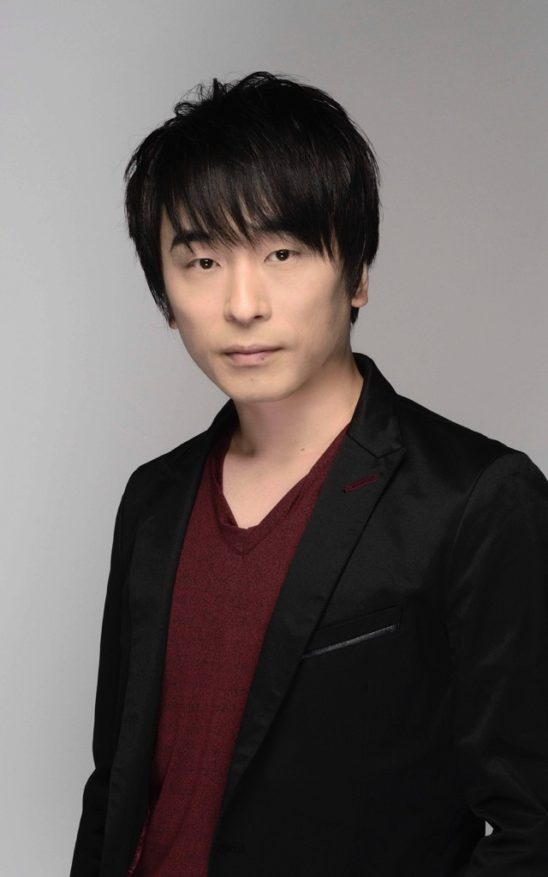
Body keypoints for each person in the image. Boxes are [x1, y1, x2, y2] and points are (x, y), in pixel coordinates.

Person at [70, 71, 548, 877]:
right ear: (166, 293)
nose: (243, 303)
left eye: (282, 252)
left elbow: (534, 824)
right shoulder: (154, 499)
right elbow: (115, 785)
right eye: (202, 260)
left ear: (356, 274)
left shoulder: (477, 500)